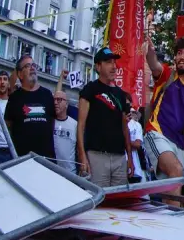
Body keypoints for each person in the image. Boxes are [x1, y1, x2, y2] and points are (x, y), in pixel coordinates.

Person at [144, 36, 184, 187]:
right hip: (158, 134)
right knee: (176, 171)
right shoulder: (167, 74)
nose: (181, 57)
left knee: (171, 190)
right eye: (179, 53)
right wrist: (150, 52)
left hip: (179, 143)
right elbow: (154, 64)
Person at [76, 47, 132, 186]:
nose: (113, 66)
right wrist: (82, 156)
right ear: (98, 66)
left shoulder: (120, 94)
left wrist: (130, 158)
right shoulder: (90, 89)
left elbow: (125, 128)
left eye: (114, 62)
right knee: (99, 198)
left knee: (119, 198)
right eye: (108, 62)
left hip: (119, 157)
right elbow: (80, 125)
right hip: (96, 156)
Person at [52, 88, 78, 173]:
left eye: (59, 100)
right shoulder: (49, 123)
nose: (55, 103)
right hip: (51, 171)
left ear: (66, 104)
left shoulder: (75, 125)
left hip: (70, 173)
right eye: (54, 100)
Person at [128, 109, 148, 182]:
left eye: (135, 113)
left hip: (135, 164)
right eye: (133, 112)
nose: (135, 115)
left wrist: (124, 140)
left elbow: (137, 144)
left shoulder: (137, 125)